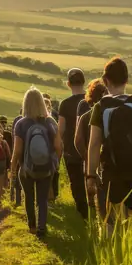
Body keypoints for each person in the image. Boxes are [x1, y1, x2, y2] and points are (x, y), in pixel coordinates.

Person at [87, 56, 132, 231]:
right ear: (127, 80)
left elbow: (94, 143)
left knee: (112, 218)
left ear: (105, 81)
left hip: (112, 170)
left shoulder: (101, 107)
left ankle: (114, 250)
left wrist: (91, 175)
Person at [10, 87, 63, 238]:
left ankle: (32, 225)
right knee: (42, 198)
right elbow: (59, 146)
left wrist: (13, 167)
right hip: (46, 167)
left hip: (26, 168)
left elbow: (18, 150)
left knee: (29, 196)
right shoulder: (50, 122)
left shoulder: (21, 123)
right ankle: (42, 228)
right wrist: (55, 162)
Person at [57, 67, 89, 219]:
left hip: (71, 151)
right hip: (91, 149)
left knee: (76, 184)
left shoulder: (65, 104)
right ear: (84, 82)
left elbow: (61, 130)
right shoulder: (91, 101)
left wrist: (56, 148)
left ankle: (83, 216)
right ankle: (95, 211)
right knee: (92, 180)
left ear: (68, 84)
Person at [74, 78, 107, 212]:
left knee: (93, 196)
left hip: (89, 162)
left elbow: (77, 141)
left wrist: (87, 157)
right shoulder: (112, 113)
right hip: (109, 161)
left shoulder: (85, 117)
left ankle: (94, 217)